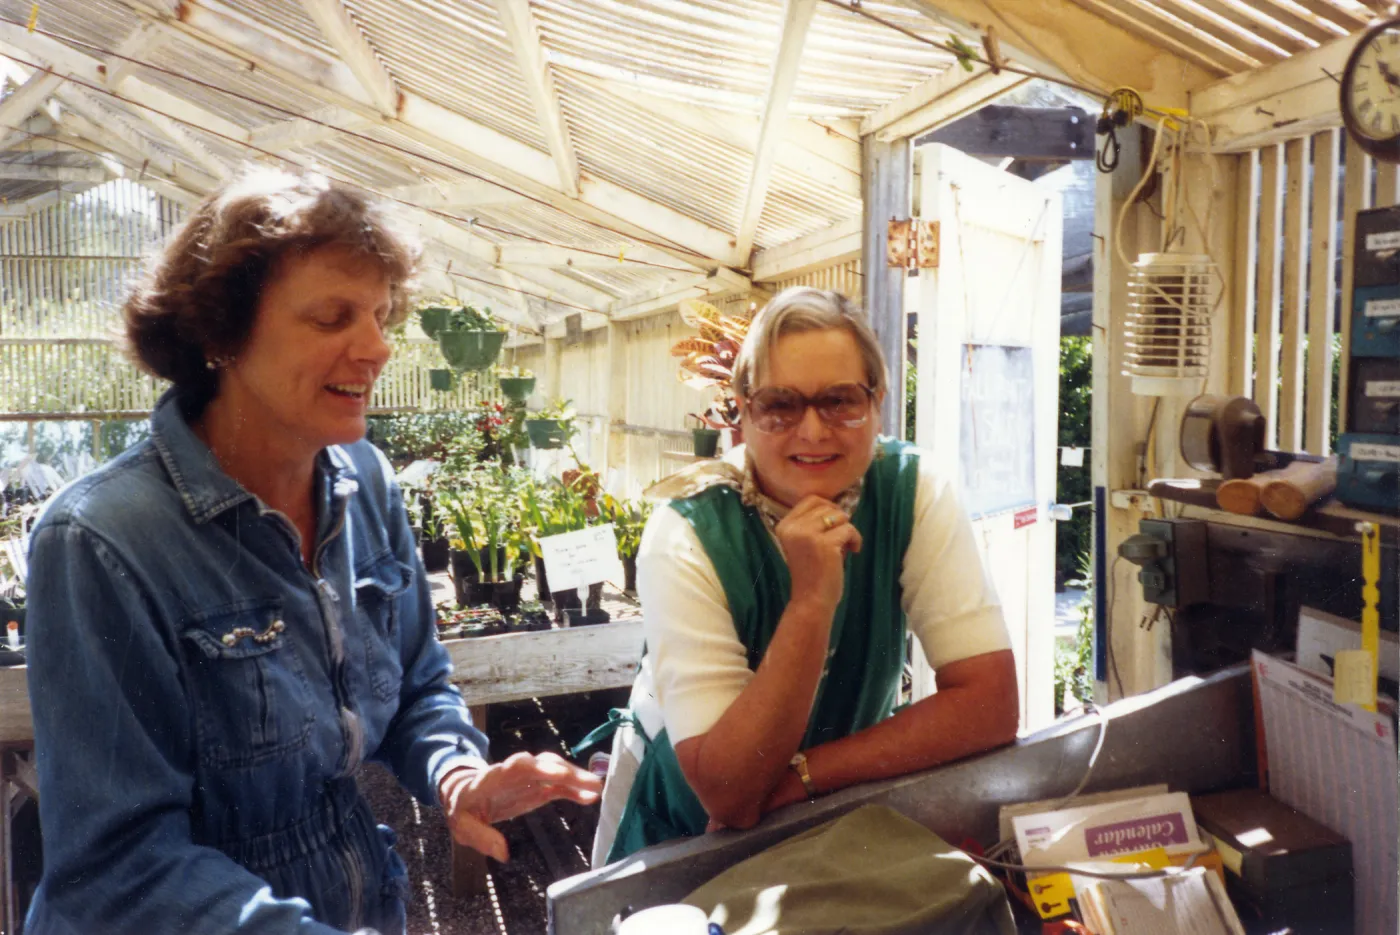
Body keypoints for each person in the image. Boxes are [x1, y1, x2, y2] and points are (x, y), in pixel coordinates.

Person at [22, 168, 600, 935]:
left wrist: (458, 775)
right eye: (333, 317)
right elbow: (122, 862)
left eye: (382, 314)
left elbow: (419, 680)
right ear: (220, 333)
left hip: (356, 899)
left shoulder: (362, 478)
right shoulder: (103, 540)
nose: (377, 347)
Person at [590, 287, 1019, 865]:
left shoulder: (913, 491)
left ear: (878, 402)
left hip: (831, 805)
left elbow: (990, 704)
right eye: (780, 405)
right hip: (686, 832)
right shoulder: (687, 531)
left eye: (840, 400)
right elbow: (730, 793)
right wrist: (811, 601)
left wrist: (801, 779)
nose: (813, 431)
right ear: (741, 413)